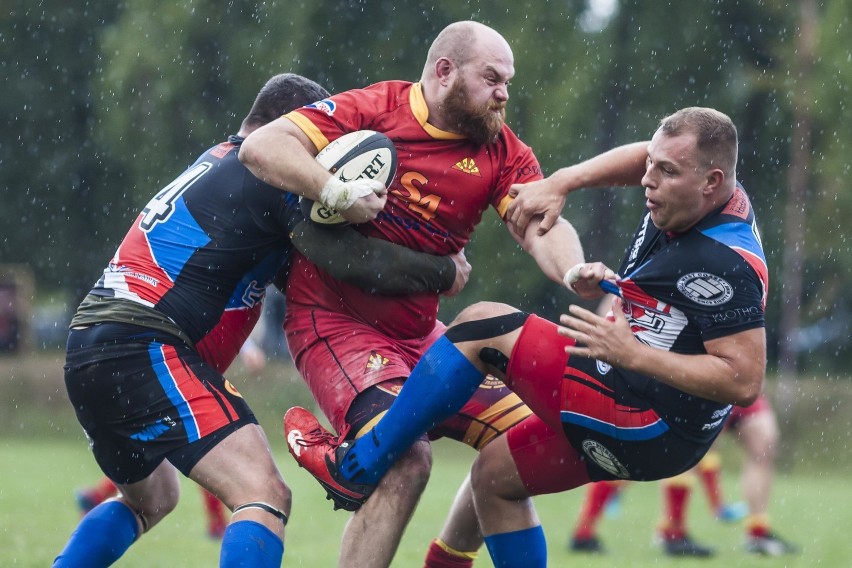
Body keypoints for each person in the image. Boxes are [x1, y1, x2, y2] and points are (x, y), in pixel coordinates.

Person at [288, 107, 770, 567]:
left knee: (482, 326)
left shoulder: (725, 262)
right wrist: (562, 182)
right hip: (655, 419)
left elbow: (743, 380)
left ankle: (356, 467)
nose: (648, 179)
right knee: (495, 478)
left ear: (711, 182)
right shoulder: (708, 183)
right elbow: (644, 154)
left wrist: (634, 354)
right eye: (652, 166)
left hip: (646, 416)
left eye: (666, 172)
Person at [238, 19, 628, 568]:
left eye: (507, 82)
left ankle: (445, 562)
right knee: (404, 461)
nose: (504, 94)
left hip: (423, 338)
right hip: (336, 325)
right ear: (444, 72)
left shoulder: (499, 150)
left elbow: (540, 221)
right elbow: (262, 146)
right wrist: (336, 191)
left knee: (522, 448)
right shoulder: (375, 109)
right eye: (492, 78)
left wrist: (572, 270)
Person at [54, 72, 470, 568]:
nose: (318, 154)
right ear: (288, 127)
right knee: (265, 494)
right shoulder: (270, 173)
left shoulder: (220, 162)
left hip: (88, 346)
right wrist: (442, 269)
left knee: (152, 500)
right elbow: (348, 260)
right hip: (145, 345)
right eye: (314, 137)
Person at [568, 393, 797, 558]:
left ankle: (758, 532)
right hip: (698, 365)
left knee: (765, 442)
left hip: (740, 369)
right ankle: (670, 532)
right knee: (663, 451)